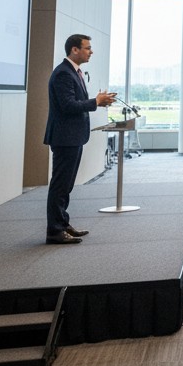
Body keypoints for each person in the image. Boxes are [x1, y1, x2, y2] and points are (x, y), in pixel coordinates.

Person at [44, 34, 116, 244]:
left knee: (66, 185)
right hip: (65, 137)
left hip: (73, 136)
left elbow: (76, 103)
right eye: (87, 48)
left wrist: (97, 102)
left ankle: (62, 224)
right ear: (74, 50)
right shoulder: (63, 74)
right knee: (60, 185)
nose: (91, 51)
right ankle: (55, 231)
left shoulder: (74, 72)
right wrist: (95, 101)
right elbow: (68, 106)